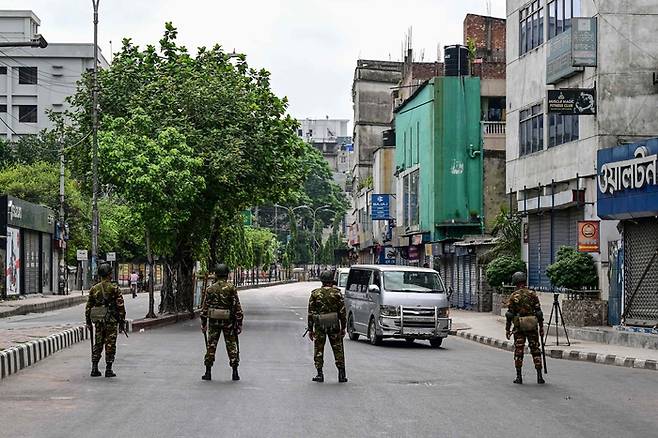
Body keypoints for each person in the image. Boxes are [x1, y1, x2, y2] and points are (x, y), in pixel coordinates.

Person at [200, 263, 244, 381]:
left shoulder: (210, 289)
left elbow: (205, 308)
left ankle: (208, 372)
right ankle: (235, 371)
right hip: (228, 321)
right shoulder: (231, 288)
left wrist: (203, 323)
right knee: (231, 345)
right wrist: (239, 323)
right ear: (227, 274)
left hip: (213, 322)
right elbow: (237, 307)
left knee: (211, 345)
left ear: (216, 274)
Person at [85, 263, 126, 378]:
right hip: (111, 321)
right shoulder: (114, 288)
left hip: (99, 321)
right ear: (109, 274)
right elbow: (120, 306)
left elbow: (88, 307)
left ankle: (94, 368)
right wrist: (122, 320)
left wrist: (88, 322)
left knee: (98, 343)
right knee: (110, 344)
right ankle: (108, 369)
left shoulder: (94, 289)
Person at [505, 271, 545, 385]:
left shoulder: (514, 296)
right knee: (535, 350)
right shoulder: (533, 294)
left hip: (519, 328)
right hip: (532, 326)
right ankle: (539, 376)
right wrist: (541, 328)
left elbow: (509, 315)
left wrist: (507, 329)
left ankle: (519, 377)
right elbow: (539, 313)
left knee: (519, 351)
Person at [307, 270, 347, 383]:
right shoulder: (337, 293)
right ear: (331, 280)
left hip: (320, 325)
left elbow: (311, 313)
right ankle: (341, 374)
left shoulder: (315, 294)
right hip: (334, 324)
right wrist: (343, 327)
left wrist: (310, 329)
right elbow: (342, 312)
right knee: (338, 348)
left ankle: (319, 374)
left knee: (319, 348)